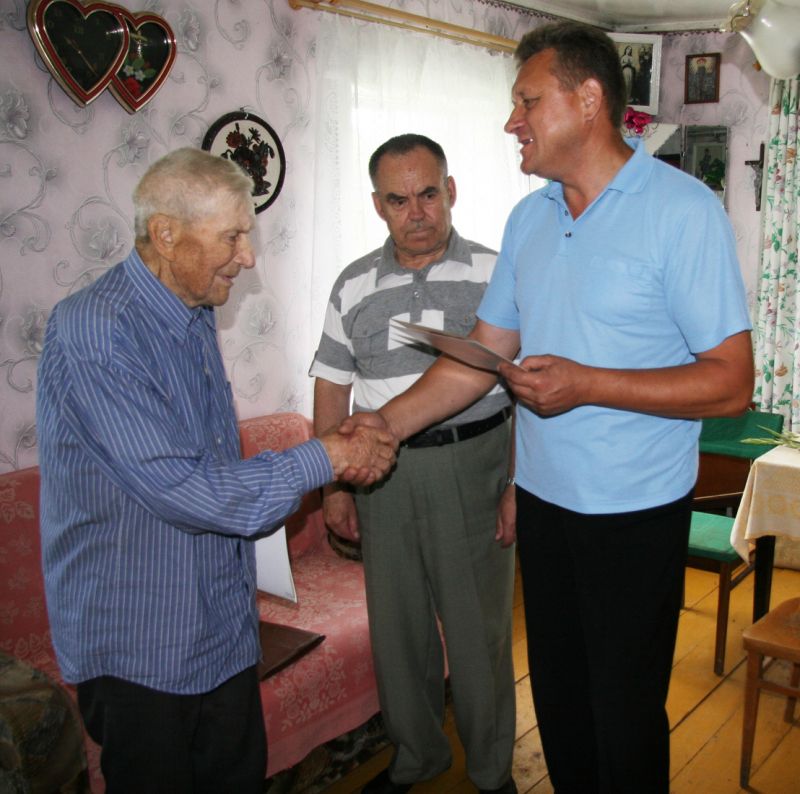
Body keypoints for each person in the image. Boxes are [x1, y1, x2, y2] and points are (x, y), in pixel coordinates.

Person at [343, 23, 754, 794]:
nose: (512, 122)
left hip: (634, 512)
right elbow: (482, 354)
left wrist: (588, 384)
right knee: (560, 704)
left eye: (527, 101)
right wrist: (383, 426)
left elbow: (732, 383)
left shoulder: (682, 210)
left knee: (623, 714)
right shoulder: (529, 219)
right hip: (543, 504)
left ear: (588, 99)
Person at [36, 147, 397, 794]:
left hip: (221, 625)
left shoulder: (195, 308)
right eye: (232, 236)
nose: (248, 256)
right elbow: (185, 488)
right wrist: (328, 455)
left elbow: (212, 462)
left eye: (246, 235)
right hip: (141, 642)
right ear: (166, 234)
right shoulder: (96, 329)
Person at [309, 134, 517, 794]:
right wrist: (333, 489)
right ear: (378, 205)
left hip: (474, 467)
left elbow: (529, 388)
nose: (417, 212)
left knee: (479, 633)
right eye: (398, 200)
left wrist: (518, 485)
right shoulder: (352, 283)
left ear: (451, 191)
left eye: (429, 194)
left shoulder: (497, 272)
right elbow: (331, 388)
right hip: (381, 479)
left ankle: (491, 772)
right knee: (397, 633)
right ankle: (417, 758)